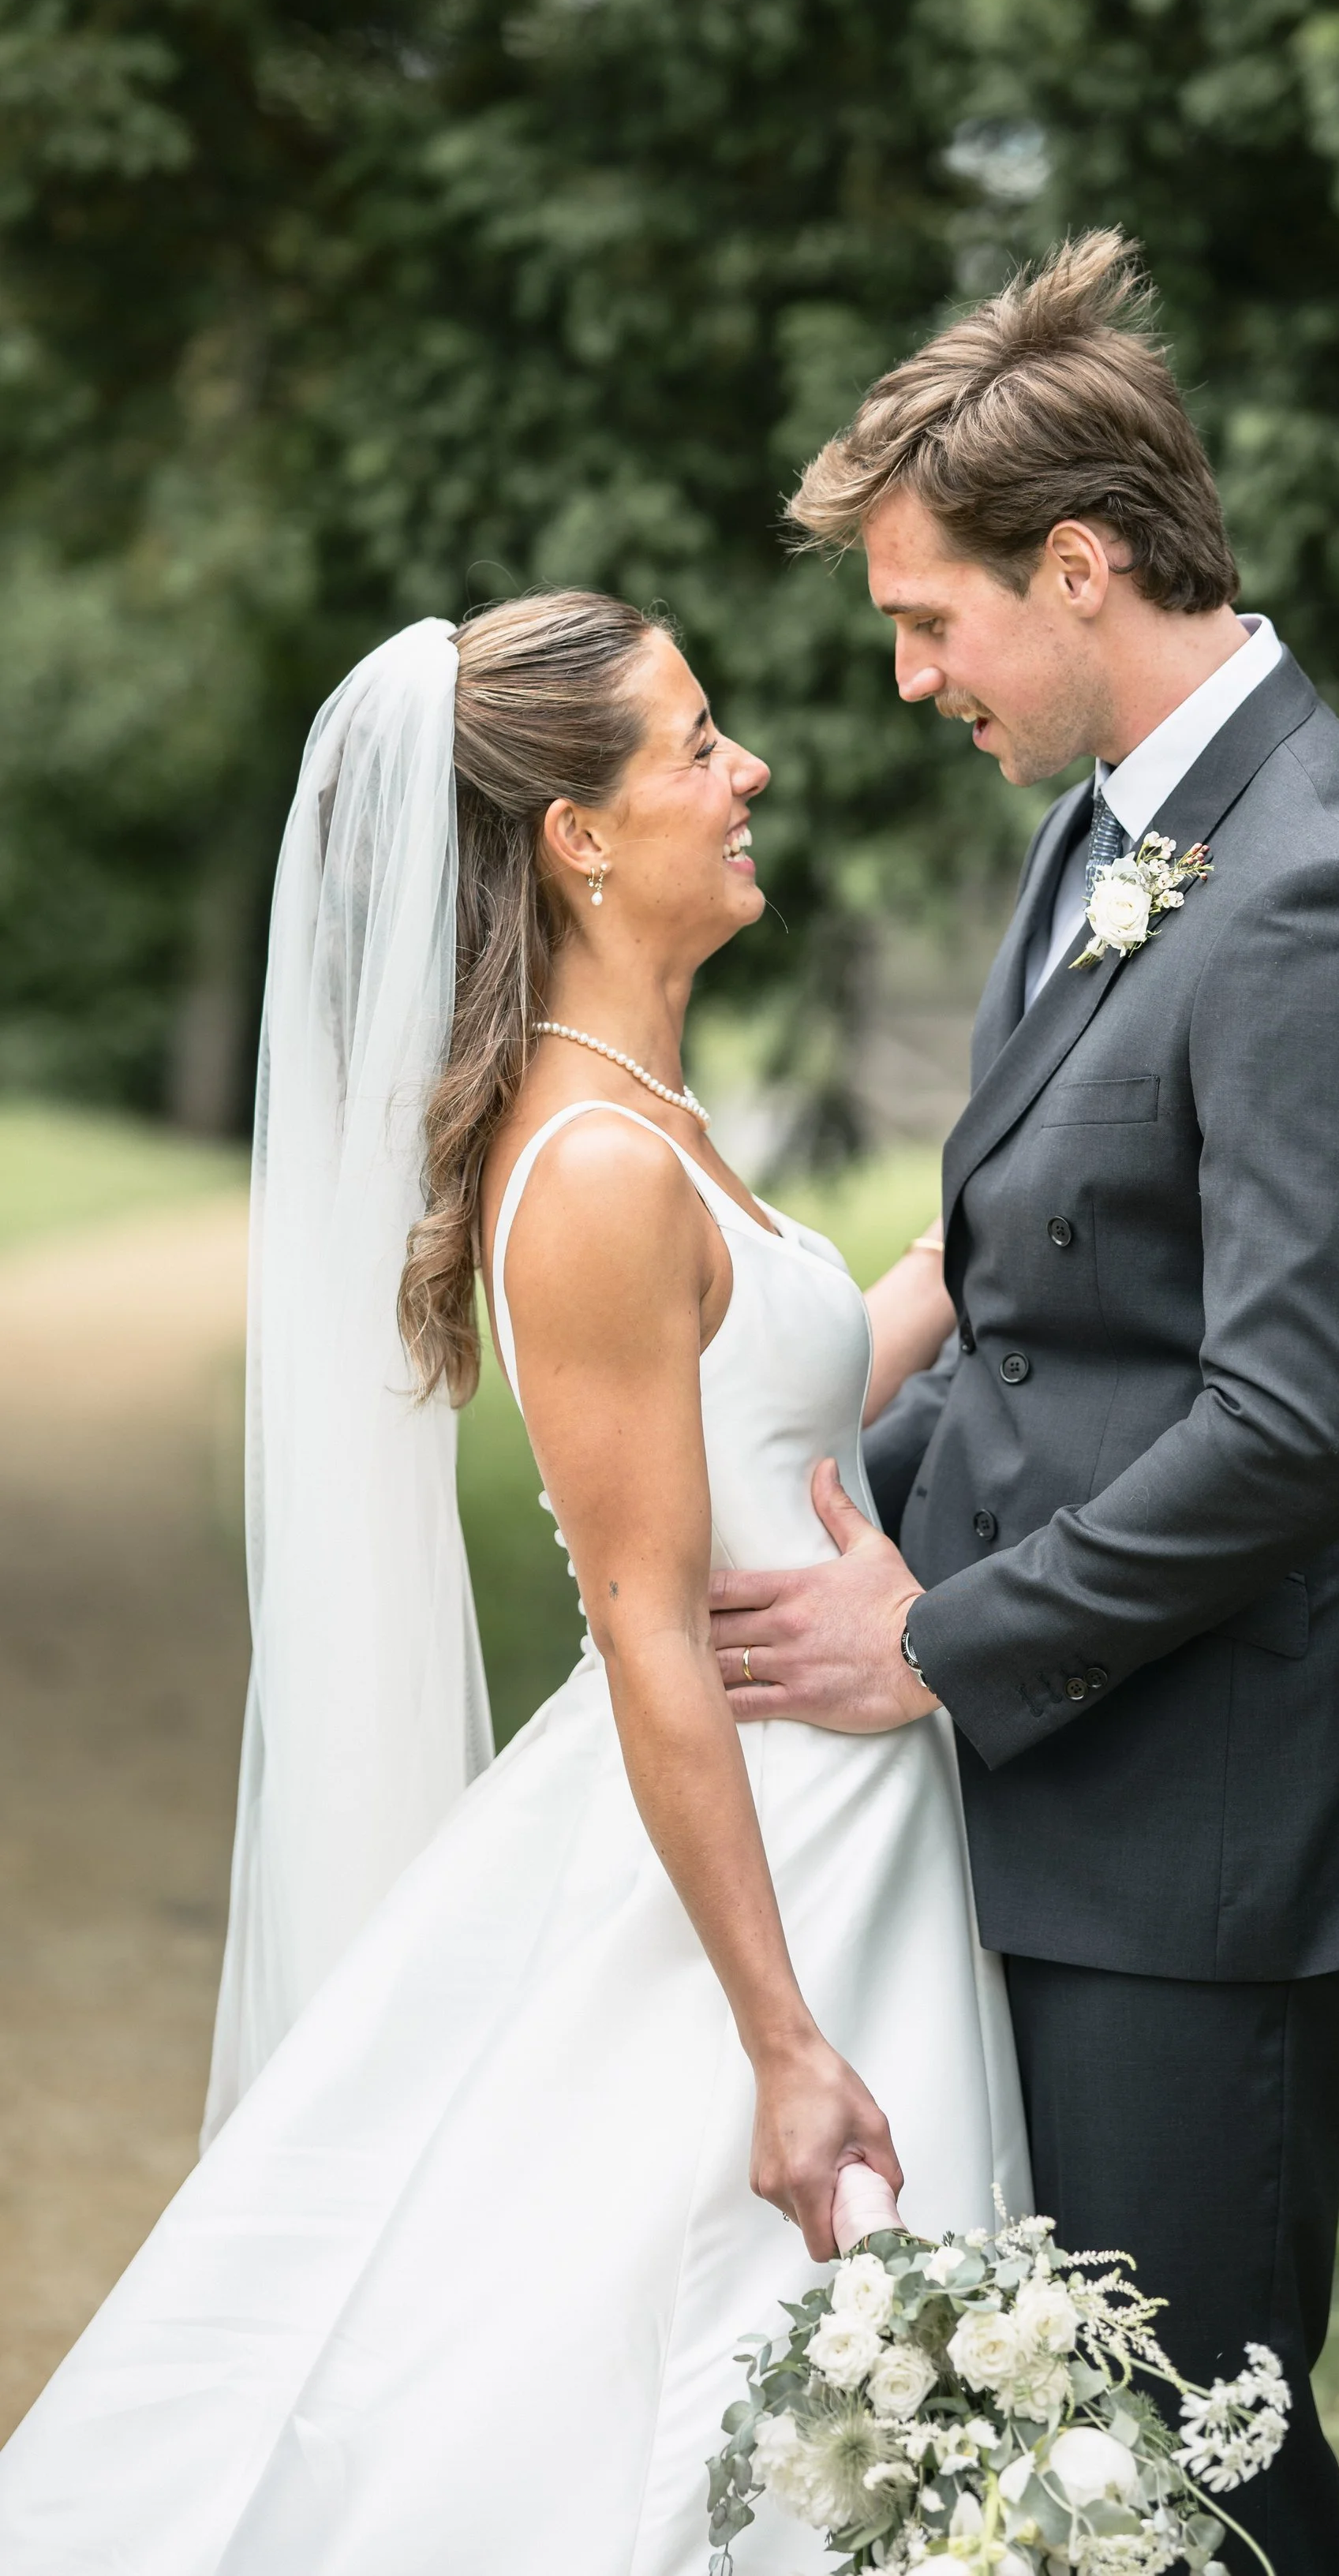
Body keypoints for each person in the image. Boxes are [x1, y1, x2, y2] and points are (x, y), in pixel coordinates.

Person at [0, 595, 1026, 2573]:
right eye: (695, 746)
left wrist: (1047, 1134)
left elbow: (806, 1382)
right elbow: (648, 1620)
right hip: (746, 1859)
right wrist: (782, 2040)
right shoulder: (595, 1175)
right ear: (575, 835)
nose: (748, 777)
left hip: (843, 1801)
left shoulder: (658, 1129)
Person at [709, 232, 1339, 2576]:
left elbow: (1294, 1424)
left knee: (1188, 2459)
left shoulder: (1323, 888)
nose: (905, 676)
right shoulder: (1114, 828)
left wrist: (938, 1641)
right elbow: (1028, 1283)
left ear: (1074, 568)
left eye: (928, 617)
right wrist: (791, 1508)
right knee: (1031, 2444)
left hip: (1206, 1837)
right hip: (1061, 1788)